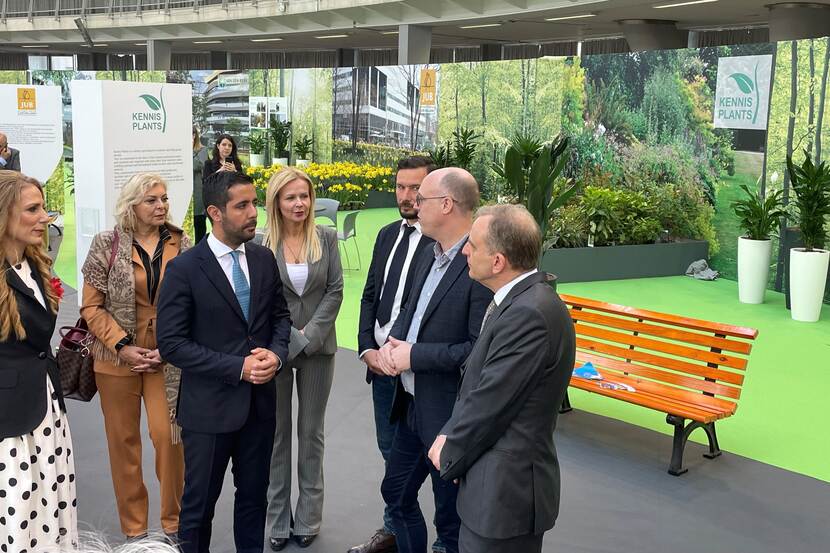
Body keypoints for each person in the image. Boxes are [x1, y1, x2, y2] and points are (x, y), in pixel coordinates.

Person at [156, 170, 292, 553]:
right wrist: (238, 367)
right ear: (215, 212)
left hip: (260, 408)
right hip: (208, 412)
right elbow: (171, 344)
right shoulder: (184, 269)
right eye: (242, 206)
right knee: (198, 509)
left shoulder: (264, 259)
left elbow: (280, 318)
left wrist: (276, 356)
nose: (254, 214)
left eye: (254, 203)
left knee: (253, 502)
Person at [428, 204, 576, 553]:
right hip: (494, 491)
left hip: (504, 497)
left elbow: (491, 401)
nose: (464, 250)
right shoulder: (520, 302)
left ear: (498, 262)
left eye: (473, 246)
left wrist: (451, 448)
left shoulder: (529, 314)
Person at [377, 168, 492, 553]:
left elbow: (477, 350)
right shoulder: (431, 251)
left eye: (421, 198)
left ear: (446, 204)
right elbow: (414, 306)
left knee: (450, 520)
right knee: (396, 494)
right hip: (411, 405)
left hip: (448, 416)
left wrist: (414, 355)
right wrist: (396, 341)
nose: (412, 203)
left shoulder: (477, 264)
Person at [80, 173, 191, 541]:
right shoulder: (106, 243)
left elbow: (196, 301)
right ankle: (135, 531)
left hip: (168, 357)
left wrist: (171, 346)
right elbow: (91, 307)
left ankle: (173, 525)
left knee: (169, 437)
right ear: (132, 206)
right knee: (123, 443)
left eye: (163, 199)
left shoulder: (182, 241)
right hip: (116, 359)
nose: (161, 206)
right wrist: (123, 345)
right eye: (152, 200)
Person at [349, 156, 437, 553]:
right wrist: (367, 347)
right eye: (400, 187)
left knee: (436, 464)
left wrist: (396, 351)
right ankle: (394, 530)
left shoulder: (444, 243)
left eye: (415, 188)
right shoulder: (387, 234)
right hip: (381, 369)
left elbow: (421, 309)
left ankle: (444, 543)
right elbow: (370, 294)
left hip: (419, 369)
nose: (406, 196)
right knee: (392, 455)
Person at [263, 167, 343, 551]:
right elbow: (262, 300)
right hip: (275, 352)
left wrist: (308, 337)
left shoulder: (326, 238)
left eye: (304, 196)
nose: (299, 203)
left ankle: (309, 516)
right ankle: (277, 519)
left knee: (311, 434)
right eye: (291, 197)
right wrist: (286, 341)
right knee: (276, 436)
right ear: (277, 201)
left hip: (317, 351)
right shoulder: (262, 244)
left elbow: (335, 290)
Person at [0, 170, 77, 550]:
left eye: (43, 207)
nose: (45, 216)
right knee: (19, 508)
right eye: (33, 209)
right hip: (9, 420)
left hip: (47, 407)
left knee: (50, 500)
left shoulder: (36, 265)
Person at [192, 127, 210, 243]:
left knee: (199, 225)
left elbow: (197, 165)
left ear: (195, 135)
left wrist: (190, 151)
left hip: (198, 194)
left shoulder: (202, 150)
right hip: (185, 194)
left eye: (192, 134)